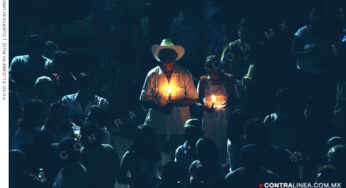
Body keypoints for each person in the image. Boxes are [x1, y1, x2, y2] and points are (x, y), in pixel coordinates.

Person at [139, 39, 199, 152]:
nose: (167, 58)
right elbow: (144, 99)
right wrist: (160, 106)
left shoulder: (184, 74)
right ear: (160, 57)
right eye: (164, 55)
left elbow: (193, 98)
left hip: (179, 125)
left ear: (174, 56)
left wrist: (175, 102)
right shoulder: (152, 75)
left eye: (169, 54)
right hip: (158, 125)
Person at [197, 55, 240, 161]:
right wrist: (204, 106)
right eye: (209, 67)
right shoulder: (203, 81)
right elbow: (197, 101)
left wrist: (228, 106)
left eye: (215, 66)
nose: (213, 71)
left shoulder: (229, 80)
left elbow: (238, 99)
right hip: (208, 120)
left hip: (225, 119)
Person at [9, 34, 54, 105]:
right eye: (33, 47)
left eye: (38, 47)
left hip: (42, 103)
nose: (35, 49)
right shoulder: (18, 60)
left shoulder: (49, 63)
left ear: (43, 48)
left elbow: (51, 85)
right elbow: (10, 80)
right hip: (19, 101)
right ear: (28, 47)